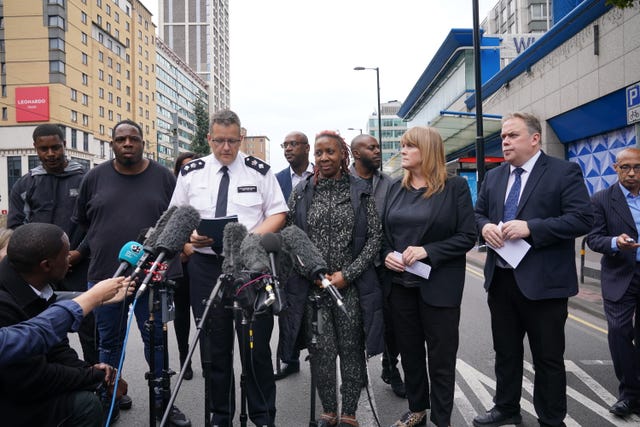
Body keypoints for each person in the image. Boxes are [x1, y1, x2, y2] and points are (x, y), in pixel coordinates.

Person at [474, 112, 593, 427]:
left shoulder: (563, 172)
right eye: (503, 137)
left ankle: (551, 418)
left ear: (535, 138)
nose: (505, 141)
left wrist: (532, 227)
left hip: (545, 284)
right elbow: (478, 214)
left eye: (512, 135)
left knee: (548, 358)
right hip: (501, 280)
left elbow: (582, 219)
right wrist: (484, 228)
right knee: (506, 353)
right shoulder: (495, 176)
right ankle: (506, 408)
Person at [170, 109, 288, 427]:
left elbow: (278, 214)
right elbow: (176, 217)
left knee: (256, 349)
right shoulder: (191, 172)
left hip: (251, 268)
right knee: (214, 349)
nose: (226, 148)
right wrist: (190, 238)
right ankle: (220, 415)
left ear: (241, 138)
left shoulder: (259, 171)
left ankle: (263, 416)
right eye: (219, 141)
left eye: (233, 141)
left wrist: (247, 239)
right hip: (206, 266)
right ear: (209, 139)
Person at [73, 119, 190, 426]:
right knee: (108, 343)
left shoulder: (165, 177)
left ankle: (163, 402)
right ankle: (108, 399)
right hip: (106, 276)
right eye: (121, 139)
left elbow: (180, 218)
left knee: (156, 342)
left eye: (133, 139)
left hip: (155, 277)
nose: (127, 143)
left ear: (142, 142)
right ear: (112, 144)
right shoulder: (93, 178)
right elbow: (85, 223)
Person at [286, 130, 382, 427]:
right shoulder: (301, 192)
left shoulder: (361, 190)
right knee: (321, 354)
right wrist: (310, 272)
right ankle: (328, 411)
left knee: (352, 351)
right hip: (315, 288)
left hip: (350, 288)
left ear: (343, 154)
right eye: (318, 153)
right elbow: (290, 237)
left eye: (330, 152)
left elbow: (375, 238)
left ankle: (350, 413)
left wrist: (348, 274)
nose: (324, 158)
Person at [381, 127, 476, 427]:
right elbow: (383, 234)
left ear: (427, 150)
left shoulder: (455, 187)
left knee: (441, 357)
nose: (403, 151)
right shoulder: (395, 187)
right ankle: (417, 408)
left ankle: (442, 419)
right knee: (409, 352)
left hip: (439, 286)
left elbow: (467, 236)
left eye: (409, 146)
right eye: (402, 146)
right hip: (401, 286)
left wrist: (427, 251)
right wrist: (385, 254)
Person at [0, 223, 121, 427]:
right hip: (11, 400)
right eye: (65, 256)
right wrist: (93, 377)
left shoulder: (37, 286)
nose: (70, 260)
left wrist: (89, 370)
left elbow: (56, 347)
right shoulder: (5, 305)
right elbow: (33, 377)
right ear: (46, 265)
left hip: (23, 384)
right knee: (88, 405)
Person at [7, 123, 95, 363]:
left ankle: (98, 380)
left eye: (55, 147)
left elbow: (96, 223)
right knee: (42, 325)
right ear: (35, 149)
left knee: (90, 329)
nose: (50, 154)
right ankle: (54, 379)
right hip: (40, 270)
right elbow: (15, 228)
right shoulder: (25, 184)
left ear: (65, 145)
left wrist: (79, 252)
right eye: (43, 149)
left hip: (79, 264)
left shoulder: (86, 179)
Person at [349, 133, 405, 398]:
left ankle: (390, 367)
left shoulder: (391, 184)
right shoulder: (342, 182)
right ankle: (358, 369)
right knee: (356, 321)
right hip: (353, 266)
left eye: (378, 147)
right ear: (356, 154)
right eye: (371, 148)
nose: (377, 151)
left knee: (392, 321)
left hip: (385, 265)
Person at [586, 147, 640, 417]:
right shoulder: (602, 199)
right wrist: (615, 243)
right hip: (620, 274)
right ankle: (629, 394)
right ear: (616, 168)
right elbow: (593, 238)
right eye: (625, 167)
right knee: (619, 333)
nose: (631, 173)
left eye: (637, 167)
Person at [1, 265, 133, 366]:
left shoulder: (43, 294)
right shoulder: (7, 304)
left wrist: (88, 371)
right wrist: (92, 298)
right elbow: (32, 337)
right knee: (87, 401)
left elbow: (58, 350)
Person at [274, 130, 314, 380]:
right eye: (285, 144)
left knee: (318, 309)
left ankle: (327, 359)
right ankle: (289, 360)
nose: (288, 148)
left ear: (306, 148)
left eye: (293, 144)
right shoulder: (277, 179)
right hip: (287, 257)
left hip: (319, 252)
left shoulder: (320, 173)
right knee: (288, 309)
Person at [172, 151, 199, 381]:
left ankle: (209, 357)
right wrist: (182, 247)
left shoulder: (205, 188)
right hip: (180, 261)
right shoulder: (174, 192)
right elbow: (169, 222)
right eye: (183, 167)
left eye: (192, 166)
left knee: (205, 314)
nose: (187, 171)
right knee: (182, 312)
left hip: (203, 261)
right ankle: (184, 358)